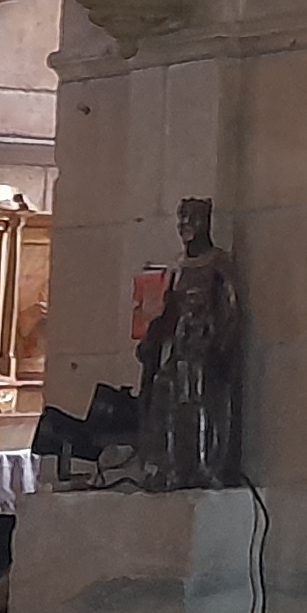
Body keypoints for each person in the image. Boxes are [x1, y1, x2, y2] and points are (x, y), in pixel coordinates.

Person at [133, 197, 245, 490]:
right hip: (182, 345)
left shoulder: (218, 264)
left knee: (196, 399)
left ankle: (203, 464)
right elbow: (170, 309)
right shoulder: (180, 265)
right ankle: (167, 464)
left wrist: (221, 347)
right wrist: (152, 337)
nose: (185, 226)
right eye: (181, 219)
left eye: (191, 219)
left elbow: (231, 311)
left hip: (205, 347)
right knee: (163, 392)